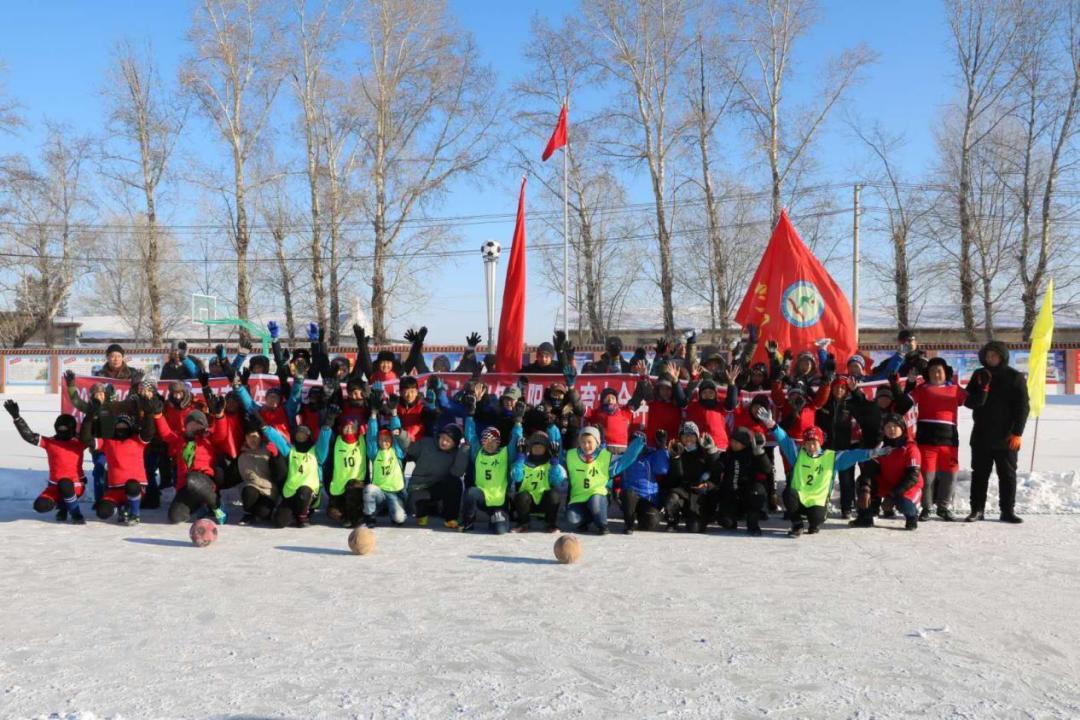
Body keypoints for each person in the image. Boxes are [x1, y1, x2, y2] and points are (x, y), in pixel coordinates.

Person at [753, 405, 890, 536]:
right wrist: (771, 423)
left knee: (816, 520)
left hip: (817, 501)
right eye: (808, 443)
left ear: (820, 443)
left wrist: (872, 453)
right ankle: (797, 523)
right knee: (788, 493)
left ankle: (814, 523)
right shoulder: (797, 454)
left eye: (814, 443)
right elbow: (784, 439)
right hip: (799, 499)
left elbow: (852, 455)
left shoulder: (831, 457)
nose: (811, 446)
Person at [142, 389, 232, 525]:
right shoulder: (180, 440)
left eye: (198, 423)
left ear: (204, 425)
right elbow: (166, 433)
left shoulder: (208, 438)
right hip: (186, 486)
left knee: (192, 478)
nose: (194, 426)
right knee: (175, 517)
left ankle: (217, 506)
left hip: (205, 481)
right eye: (191, 423)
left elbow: (221, 434)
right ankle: (199, 506)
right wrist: (158, 415)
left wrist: (219, 416)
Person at [893, 357, 966, 521]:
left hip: (949, 440)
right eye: (932, 371)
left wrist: (982, 387)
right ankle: (926, 508)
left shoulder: (955, 389)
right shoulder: (922, 389)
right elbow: (902, 406)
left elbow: (975, 402)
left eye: (939, 371)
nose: (936, 374)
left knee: (950, 475)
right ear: (927, 374)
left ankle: (943, 508)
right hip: (927, 440)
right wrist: (906, 384)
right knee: (927, 476)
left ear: (946, 373)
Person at [964, 341, 1028, 524]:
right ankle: (977, 510)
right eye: (987, 355)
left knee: (1007, 475)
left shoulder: (1015, 377)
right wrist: (982, 390)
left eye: (994, 355)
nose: (990, 358)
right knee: (979, 474)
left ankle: (1007, 511)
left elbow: (1023, 407)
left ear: (1002, 356)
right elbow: (968, 402)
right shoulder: (979, 375)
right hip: (981, 435)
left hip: (1007, 437)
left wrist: (1018, 433)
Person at [5, 400, 89, 524]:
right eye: (60, 428)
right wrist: (17, 418)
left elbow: (89, 432)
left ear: (71, 429)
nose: (62, 431)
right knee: (40, 506)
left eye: (65, 428)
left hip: (75, 486)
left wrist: (91, 415)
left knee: (65, 484)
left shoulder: (79, 443)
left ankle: (76, 514)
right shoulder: (50, 442)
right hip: (54, 486)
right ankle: (63, 506)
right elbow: (30, 436)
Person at [262, 405, 336, 528]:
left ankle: (303, 516)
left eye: (303, 434)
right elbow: (278, 440)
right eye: (298, 434)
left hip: (309, 493)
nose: (300, 436)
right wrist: (265, 428)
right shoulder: (291, 450)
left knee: (304, 491)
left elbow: (323, 442)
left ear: (308, 436)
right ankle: (293, 514)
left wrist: (327, 427)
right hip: (291, 493)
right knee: (279, 522)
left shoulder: (316, 452)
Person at [563, 426, 643, 534]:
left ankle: (602, 525)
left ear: (597, 442)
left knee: (595, 502)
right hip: (579, 497)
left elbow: (625, 459)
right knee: (572, 519)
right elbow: (559, 461)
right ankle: (586, 520)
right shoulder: (571, 455)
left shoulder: (606, 457)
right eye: (583, 442)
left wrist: (638, 443)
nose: (586, 445)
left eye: (589, 442)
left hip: (598, 495)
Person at [82, 406, 153, 525]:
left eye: (124, 426)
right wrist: (88, 418)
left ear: (130, 427)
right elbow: (86, 439)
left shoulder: (137, 440)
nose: (121, 429)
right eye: (119, 426)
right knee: (102, 512)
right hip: (115, 490)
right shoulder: (108, 442)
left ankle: (134, 513)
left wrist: (149, 412)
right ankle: (120, 509)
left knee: (131, 484)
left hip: (136, 488)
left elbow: (149, 432)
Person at [851, 414, 923, 530]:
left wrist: (892, 495)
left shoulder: (911, 448)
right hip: (887, 483)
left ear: (902, 428)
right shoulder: (881, 446)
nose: (891, 429)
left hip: (908, 487)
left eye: (895, 426)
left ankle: (912, 516)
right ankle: (866, 517)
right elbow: (870, 469)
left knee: (903, 503)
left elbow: (912, 477)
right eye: (888, 426)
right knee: (862, 483)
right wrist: (865, 487)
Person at [460, 411, 523, 534]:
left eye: (493, 441)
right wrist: (470, 416)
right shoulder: (477, 453)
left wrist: (518, 423)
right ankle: (468, 520)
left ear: (498, 442)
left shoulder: (505, 454)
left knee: (500, 530)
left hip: (499, 501)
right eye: (486, 441)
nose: (489, 444)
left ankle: (494, 519)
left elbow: (515, 440)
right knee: (470, 492)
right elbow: (471, 436)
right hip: (482, 497)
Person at [405, 423, 469, 529]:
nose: (444, 442)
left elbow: (457, 473)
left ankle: (450, 519)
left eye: (448, 441)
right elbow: (409, 447)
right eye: (442, 438)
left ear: (455, 444)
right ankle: (422, 514)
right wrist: (400, 434)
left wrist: (464, 450)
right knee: (418, 501)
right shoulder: (427, 443)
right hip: (418, 488)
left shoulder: (455, 453)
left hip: (437, 488)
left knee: (455, 482)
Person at [663, 422, 723, 532]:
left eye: (691, 435)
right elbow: (672, 480)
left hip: (699, 494)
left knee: (695, 528)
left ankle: (700, 516)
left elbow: (716, 474)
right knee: (672, 498)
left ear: (697, 437)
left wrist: (712, 451)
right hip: (682, 491)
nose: (688, 438)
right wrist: (675, 459)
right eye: (684, 435)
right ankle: (672, 521)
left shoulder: (704, 451)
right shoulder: (676, 451)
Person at [719, 427, 774, 535]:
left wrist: (760, 453)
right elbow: (717, 468)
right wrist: (712, 453)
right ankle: (737, 515)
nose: (733, 444)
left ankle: (753, 522)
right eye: (732, 441)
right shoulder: (728, 455)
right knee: (726, 522)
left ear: (744, 443)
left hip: (750, 493)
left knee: (757, 492)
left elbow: (768, 469)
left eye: (736, 442)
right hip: (734, 495)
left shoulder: (753, 454)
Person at [510, 431, 566, 533]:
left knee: (554, 496)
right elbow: (516, 477)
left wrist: (555, 461)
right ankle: (523, 524)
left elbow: (557, 480)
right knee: (521, 496)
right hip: (527, 504)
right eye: (535, 446)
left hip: (544, 503)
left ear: (546, 449)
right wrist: (520, 458)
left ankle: (550, 524)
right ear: (530, 448)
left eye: (541, 446)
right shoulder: (523, 462)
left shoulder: (551, 464)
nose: (537, 449)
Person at [363, 414, 411, 528]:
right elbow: (371, 437)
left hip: (394, 493)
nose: (384, 442)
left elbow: (396, 433)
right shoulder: (375, 453)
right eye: (381, 439)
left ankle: (394, 512)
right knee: (369, 489)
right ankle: (370, 516)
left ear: (391, 440)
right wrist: (373, 416)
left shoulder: (397, 452)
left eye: (387, 439)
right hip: (380, 492)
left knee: (399, 519)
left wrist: (394, 414)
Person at [618, 429, 670, 534]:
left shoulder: (651, 455)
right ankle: (629, 524)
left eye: (640, 442)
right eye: (634, 442)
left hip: (647, 497)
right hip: (630, 496)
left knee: (651, 523)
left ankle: (643, 516)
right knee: (628, 494)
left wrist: (661, 448)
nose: (637, 446)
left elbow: (662, 469)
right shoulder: (624, 457)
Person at [326, 416, 368, 528]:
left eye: (352, 428)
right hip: (339, 484)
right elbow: (324, 439)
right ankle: (345, 517)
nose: (349, 430)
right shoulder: (337, 440)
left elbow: (372, 434)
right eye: (346, 428)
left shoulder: (362, 440)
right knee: (332, 511)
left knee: (353, 494)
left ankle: (356, 518)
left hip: (356, 484)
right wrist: (327, 425)